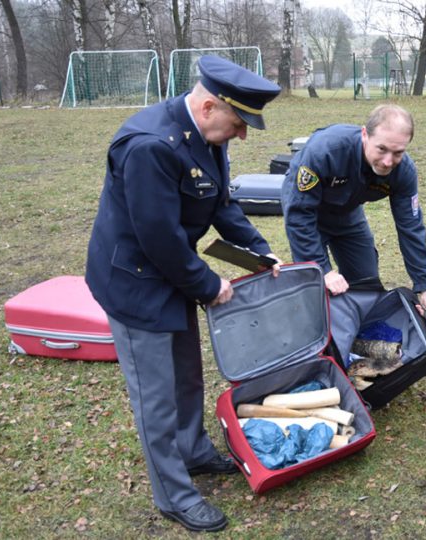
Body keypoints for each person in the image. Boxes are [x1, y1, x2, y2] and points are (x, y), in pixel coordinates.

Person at [85, 56, 282, 532]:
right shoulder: (151, 146)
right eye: (238, 123)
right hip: (134, 281)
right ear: (210, 105)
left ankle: (193, 450)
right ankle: (172, 494)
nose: (242, 135)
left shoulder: (204, 135)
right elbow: (158, 236)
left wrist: (261, 251)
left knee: (187, 375)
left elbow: (221, 205)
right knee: (155, 396)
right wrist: (209, 285)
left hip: (170, 272)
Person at [281, 104, 426, 324]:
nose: (388, 162)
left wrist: (424, 287)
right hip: (309, 212)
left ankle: (355, 337)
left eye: (398, 153)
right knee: (315, 283)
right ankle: (315, 339)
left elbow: (411, 227)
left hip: (347, 213)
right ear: (365, 134)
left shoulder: (403, 172)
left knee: (366, 282)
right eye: (381, 149)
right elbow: (299, 215)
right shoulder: (326, 150)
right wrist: (323, 269)